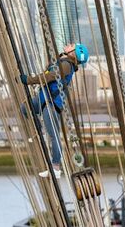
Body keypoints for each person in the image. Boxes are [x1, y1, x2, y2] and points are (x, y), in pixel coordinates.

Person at [20, 43, 89, 179]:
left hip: (50, 104)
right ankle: (39, 132)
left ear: (73, 53)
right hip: (43, 99)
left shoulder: (66, 66)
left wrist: (28, 80)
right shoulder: (63, 62)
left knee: (54, 136)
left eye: (72, 45)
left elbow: (49, 77)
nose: (69, 45)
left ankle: (56, 167)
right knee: (25, 108)